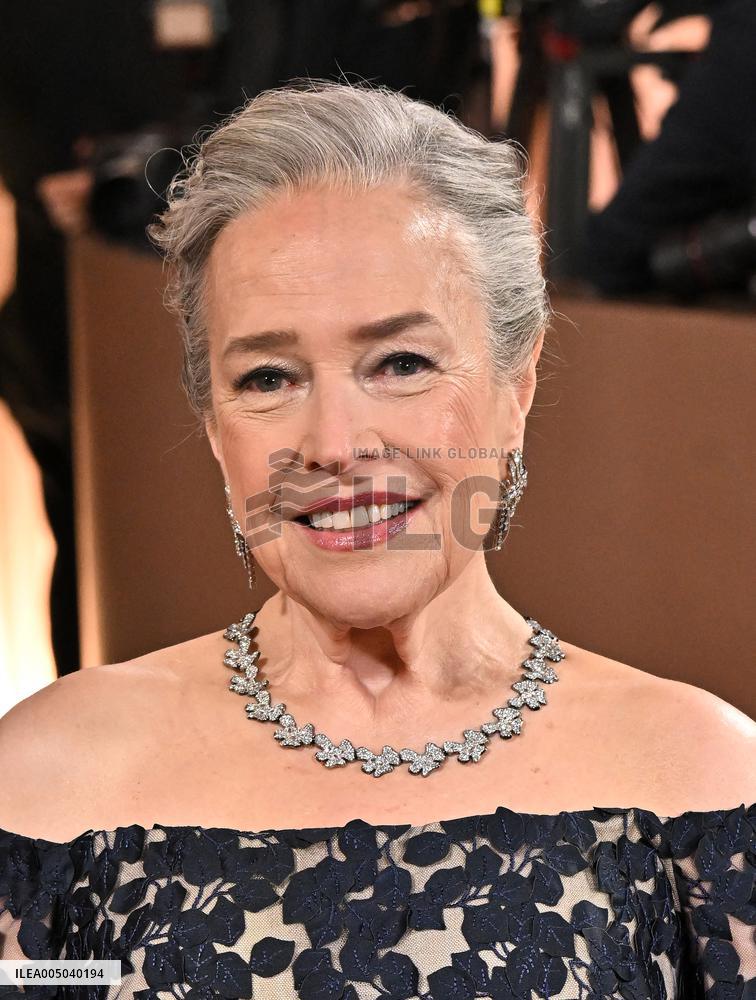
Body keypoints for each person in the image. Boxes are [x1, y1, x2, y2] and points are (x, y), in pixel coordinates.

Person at [0, 80, 753, 999]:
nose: (333, 445)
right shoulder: (50, 783)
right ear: (213, 426)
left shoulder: (706, 782)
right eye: (269, 377)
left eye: (401, 363)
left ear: (517, 386)